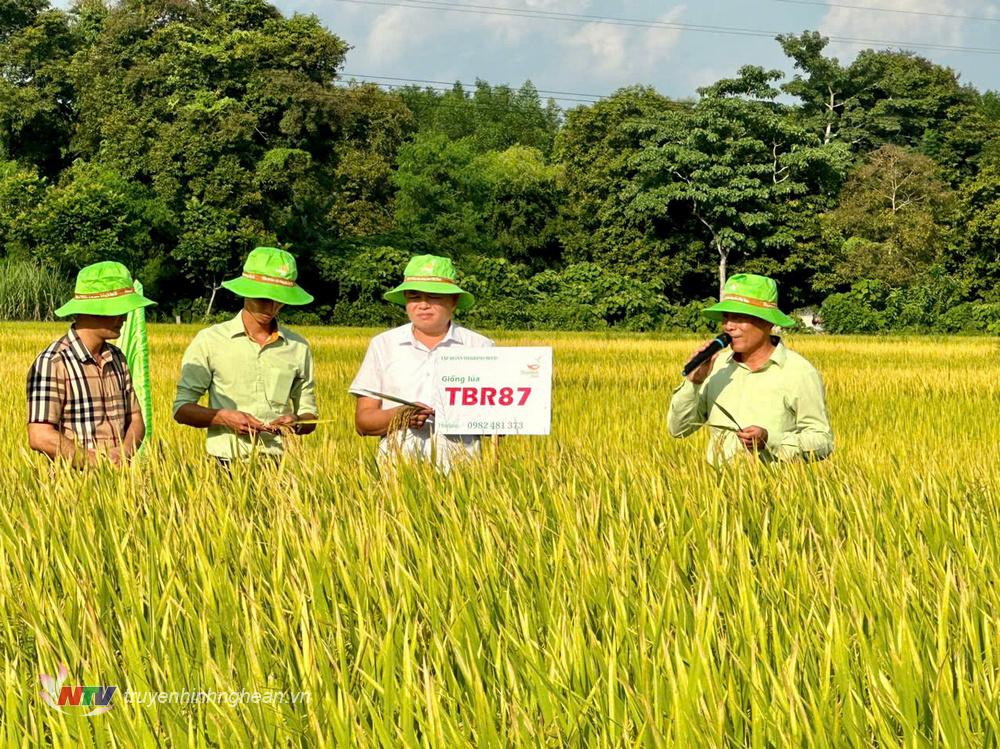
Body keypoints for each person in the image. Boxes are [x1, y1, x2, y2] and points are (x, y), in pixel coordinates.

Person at [668, 273, 833, 466]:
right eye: (726, 317)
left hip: (778, 491)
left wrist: (769, 440)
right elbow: (678, 430)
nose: (729, 326)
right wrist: (693, 382)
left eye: (739, 318)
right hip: (716, 490)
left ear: (767, 322)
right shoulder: (716, 368)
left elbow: (823, 441)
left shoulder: (799, 372)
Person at [172, 247, 318, 464]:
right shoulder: (210, 340)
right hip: (224, 464)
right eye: (263, 298)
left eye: (280, 300)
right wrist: (223, 417)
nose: (272, 307)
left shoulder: (298, 347)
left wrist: (296, 421)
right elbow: (182, 409)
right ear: (246, 292)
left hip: (279, 465)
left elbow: (310, 415)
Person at [350, 254, 493, 471]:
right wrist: (400, 416)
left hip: (464, 473)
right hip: (397, 473)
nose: (423, 305)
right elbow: (363, 422)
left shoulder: (480, 347)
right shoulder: (383, 345)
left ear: (453, 301)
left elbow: (500, 420)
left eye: (434, 296)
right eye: (414, 297)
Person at [27, 261, 156, 466]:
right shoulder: (53, 363)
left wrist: (124, 452)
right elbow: (40, 435)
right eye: (118, 309)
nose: (124, 317)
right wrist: (94, 461)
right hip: (73, 491)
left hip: (121, 486)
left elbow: (136, 420)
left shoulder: (118, 359)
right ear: (91, 310)